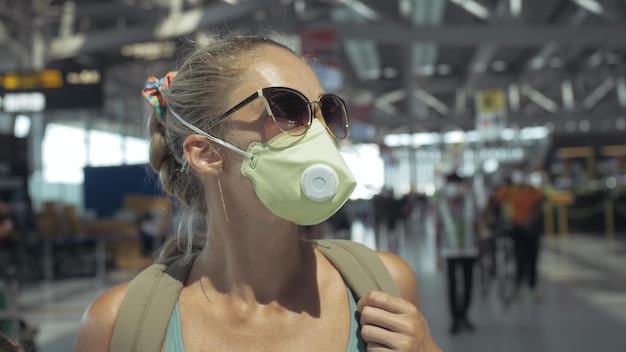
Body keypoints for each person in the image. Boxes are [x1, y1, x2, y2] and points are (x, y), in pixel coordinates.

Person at [74, 32, 439, 351]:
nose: (318, 133)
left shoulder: (382, 288)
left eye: (325, 112)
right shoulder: (119, 325)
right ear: (206, 154)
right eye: (286, 109)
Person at [435, 173, 480, 335]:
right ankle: (454, 319)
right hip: (450, 252)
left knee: (468, 284)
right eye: (450, 184)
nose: (453, 188)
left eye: (456, 184)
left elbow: (477, 226)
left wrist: (481, 249)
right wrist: (437, 256)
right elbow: (438, 231)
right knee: (452, 286)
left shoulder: (470, 203)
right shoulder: (442, 205)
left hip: (469, 250)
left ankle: (464, 315)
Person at [495, 167, 544, 301]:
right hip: (516, 229)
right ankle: (518, 286)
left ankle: (531, 287)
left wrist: (533, 217)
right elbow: (496, 202)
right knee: (519, 258)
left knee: (532, 259)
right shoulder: (509, 191)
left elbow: (539, 204)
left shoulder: (533, 190)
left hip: (531, 229)